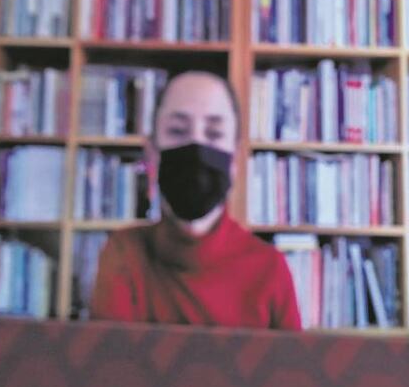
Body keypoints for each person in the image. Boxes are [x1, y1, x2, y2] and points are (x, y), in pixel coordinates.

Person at [90, 71, 302, 330]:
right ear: (152, 153)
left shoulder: (269, 269)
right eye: (178, 131)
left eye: (214, 133)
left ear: (235, 159)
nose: (197, 147)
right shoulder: (125, 253)